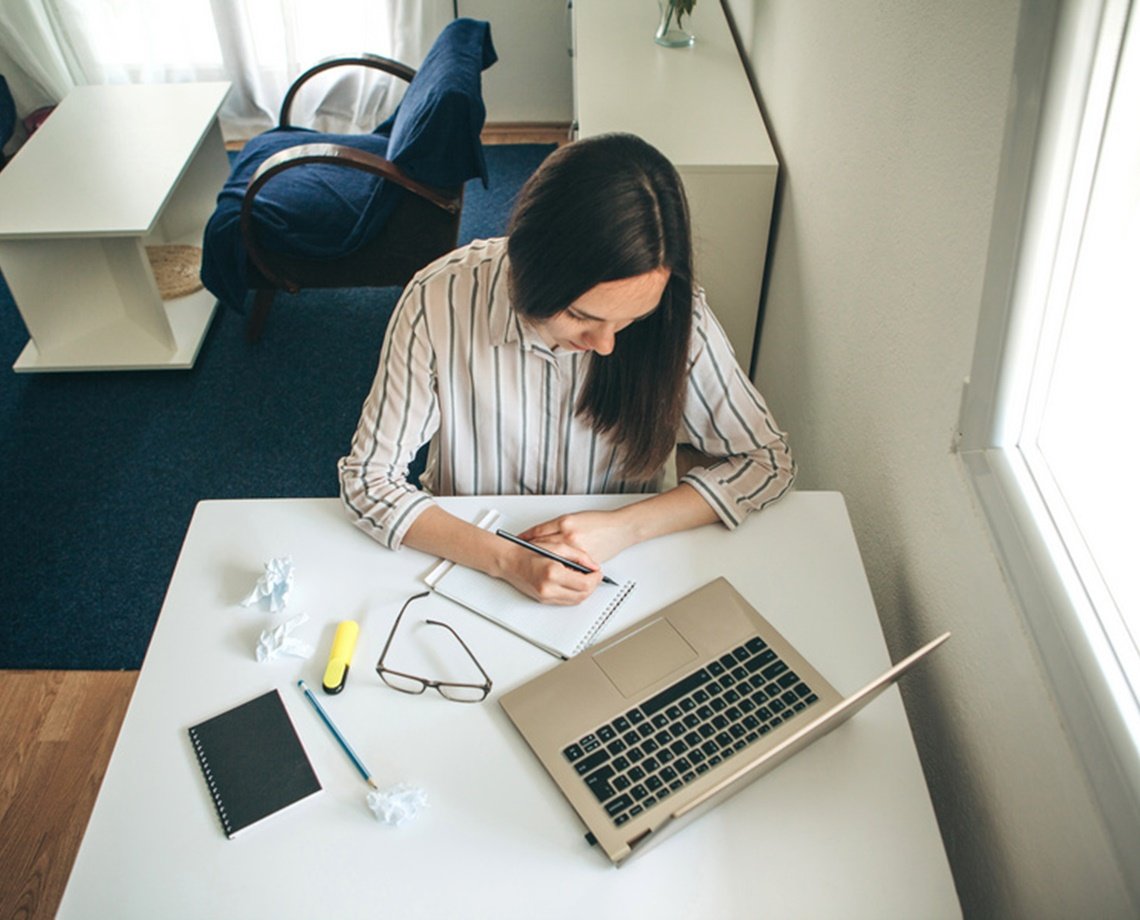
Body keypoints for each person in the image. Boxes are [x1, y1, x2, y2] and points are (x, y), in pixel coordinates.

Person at [338, 132, 794, 605]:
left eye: (631, 321)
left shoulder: (680, 316)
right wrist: (507, 561)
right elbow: (368, 481)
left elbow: (767, 462)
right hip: (467, 557)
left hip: (614, 568)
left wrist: (625, 527)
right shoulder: (438, 299)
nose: (606, 345)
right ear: (531, 269)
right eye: (581, 317)